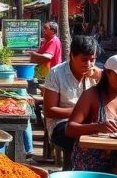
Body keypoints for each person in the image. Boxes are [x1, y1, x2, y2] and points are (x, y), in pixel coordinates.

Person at [43, 35, 102, 167]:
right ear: (72, 56)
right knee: (77, 139)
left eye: (92, 60)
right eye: (84, 60)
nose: (89, 64)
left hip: (90, 124)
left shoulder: (98, 74)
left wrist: (100, 77)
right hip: (61, 124)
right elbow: (49, 110)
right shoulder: (56, 74)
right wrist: (80, 113)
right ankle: (71, 173)